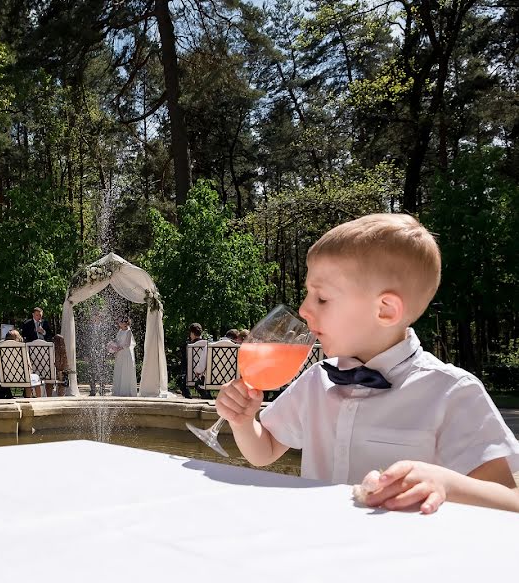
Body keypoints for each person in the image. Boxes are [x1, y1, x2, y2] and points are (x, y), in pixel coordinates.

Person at [216, 213, 519, 513]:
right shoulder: (316, 380)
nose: (304, 309)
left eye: (321, 298)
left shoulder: (453, 393)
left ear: (385, 310)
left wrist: (447, 484)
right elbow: (264, 451)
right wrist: (243, 422)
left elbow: (510, 501)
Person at [179, 323, 211, 399]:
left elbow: (184, 363)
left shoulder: (188, 346)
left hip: (191, 375)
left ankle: (188, 397)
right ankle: (206, 394)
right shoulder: (209, 345)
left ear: (192, 333)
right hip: (205, 376)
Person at [109, 316, 137, 397]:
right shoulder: (120, 331)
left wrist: (118, 348)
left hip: (126, 353)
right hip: (120, 353)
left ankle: (126, 391)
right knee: (119, 370)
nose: (119, 322)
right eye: (119, 321)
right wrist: (113, 347)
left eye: (121, 321)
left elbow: (127, 345)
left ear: (125, 323)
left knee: (125, 370)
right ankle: (118, 390)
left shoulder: (128, 332)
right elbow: (117, 341)